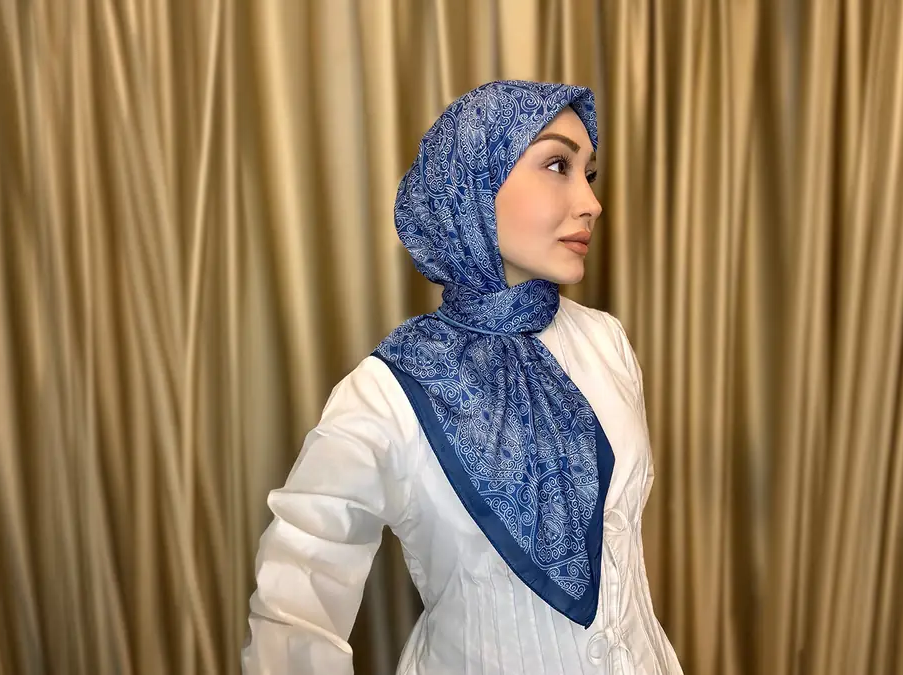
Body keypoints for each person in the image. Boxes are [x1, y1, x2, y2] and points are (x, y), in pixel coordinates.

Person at [242, 80, 683, 675]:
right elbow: (298, 593)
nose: (591, 202)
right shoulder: (390, 390)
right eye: (558, 165)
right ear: (473, 182)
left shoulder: (606, 341)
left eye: (590, 174)